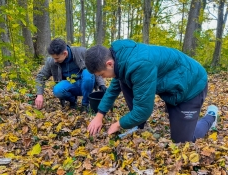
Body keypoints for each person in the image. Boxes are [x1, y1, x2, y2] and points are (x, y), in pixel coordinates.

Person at [85, 39, 218, 143]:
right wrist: (99, 115)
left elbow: (144, 110)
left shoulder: (139, 65)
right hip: (172, 83)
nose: (102, 78)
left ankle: (211, 117)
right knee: (122, 81)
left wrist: (118, 124)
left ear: (109, 64)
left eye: (101, 74)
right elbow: (114, 88)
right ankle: (138, 124)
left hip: (191, 85)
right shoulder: (120, 59)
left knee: (183, 141)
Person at [35, 38, 106, 112]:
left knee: (87, 73)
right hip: (70, 86)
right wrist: (39, 94)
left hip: (86, 83)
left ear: (65, 53)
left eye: (57, 58)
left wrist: (101, 85)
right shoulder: (51, 61)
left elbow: (95, 67)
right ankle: (72, 101)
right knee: (57, 90)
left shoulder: (82, 52)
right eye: (53, 58)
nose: (55, 60)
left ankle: (85, 104)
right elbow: (40, 77)